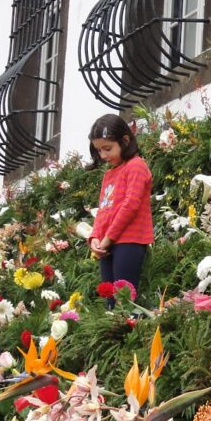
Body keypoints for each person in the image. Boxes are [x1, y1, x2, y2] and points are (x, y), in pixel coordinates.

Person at [87, 114, 153, 306]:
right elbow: (103, 210)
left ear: (124, 140)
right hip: (108, 243)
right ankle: (113, 333)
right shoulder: (109, 174)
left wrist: (107, 239)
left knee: (124, 300)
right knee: (110, 301)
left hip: (130, 240)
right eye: (99, 150)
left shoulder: (136, 166)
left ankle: (128, 333)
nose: (103, 155)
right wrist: (95, 238)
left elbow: (130, 206)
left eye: (107, 149)